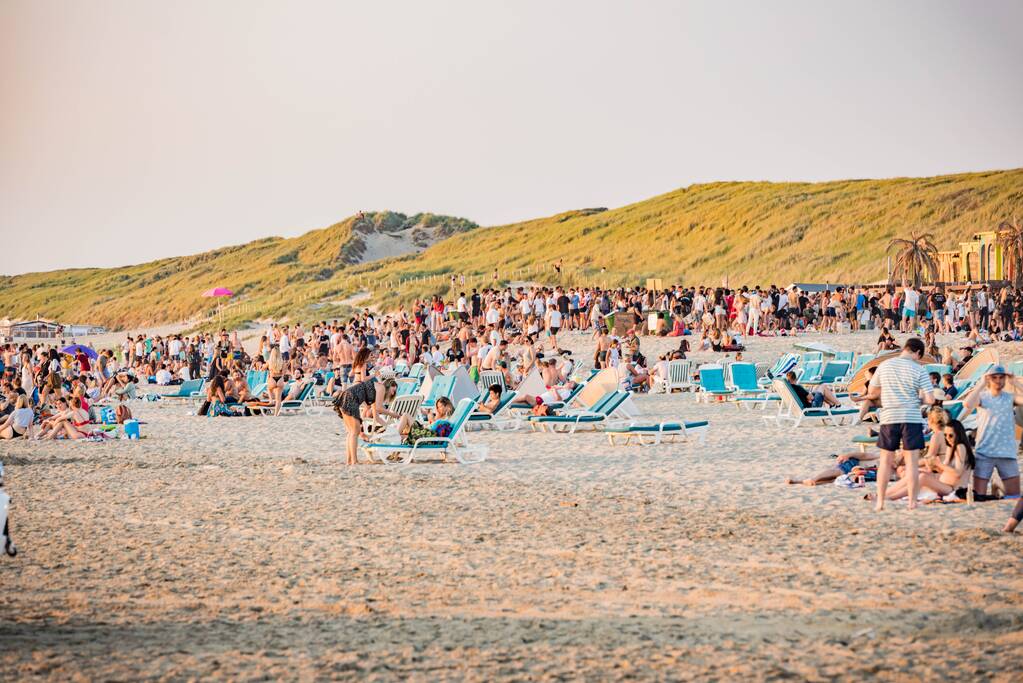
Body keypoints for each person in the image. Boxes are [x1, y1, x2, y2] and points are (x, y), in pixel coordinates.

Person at [865, 337, 935, 511]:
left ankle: (880, 502)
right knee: (911, 463)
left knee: (885, 461)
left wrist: (889, 391)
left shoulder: (885, 365)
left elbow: (872, 391)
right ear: (918, 353)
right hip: (911, 418)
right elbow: (930, 399)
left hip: (889, 417)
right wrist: (918, 398)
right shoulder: (919, 370)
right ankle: (912, 502)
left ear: (905, 348)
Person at [961, 365, 1022, 501]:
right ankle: (996, 488)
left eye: (1001, 377)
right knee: (979, 497)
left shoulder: (1010, 397)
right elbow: (967, 404)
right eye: (994, 377)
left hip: (1007, 451)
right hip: (985, 451)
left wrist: (1016, 383)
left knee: (1014, 496)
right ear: (989, 378)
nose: (998, 380)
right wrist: (982, 383)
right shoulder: (982, 397)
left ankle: (998, 486)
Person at [333, 377, 399, 466]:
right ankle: (354, 461)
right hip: (351, 399)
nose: (393, 393)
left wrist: (387, 426)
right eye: (393, 389)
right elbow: (379, 408)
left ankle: (349, 461)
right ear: (388, 386)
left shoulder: (376, 391)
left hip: (346, 397)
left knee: (351, 432)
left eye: (394, 391)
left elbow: (376, 417)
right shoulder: (381, 388)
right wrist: (393, 414)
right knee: (354, 432)